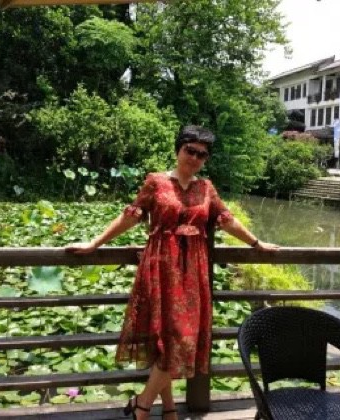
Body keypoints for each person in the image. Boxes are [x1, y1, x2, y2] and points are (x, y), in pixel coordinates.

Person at [66, 125, 279, 420]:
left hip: (193, 273)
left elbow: (227, 220)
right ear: (178, 149)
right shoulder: (156, 182)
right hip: (160, 268)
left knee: (181, 339)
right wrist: (95, 243)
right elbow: (131, 216)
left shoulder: (206, 188)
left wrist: (256, 243)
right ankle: (162, 409)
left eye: (202, 154)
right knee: (165, 339)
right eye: (190, 150)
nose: (195, 158)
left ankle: (144, 403)